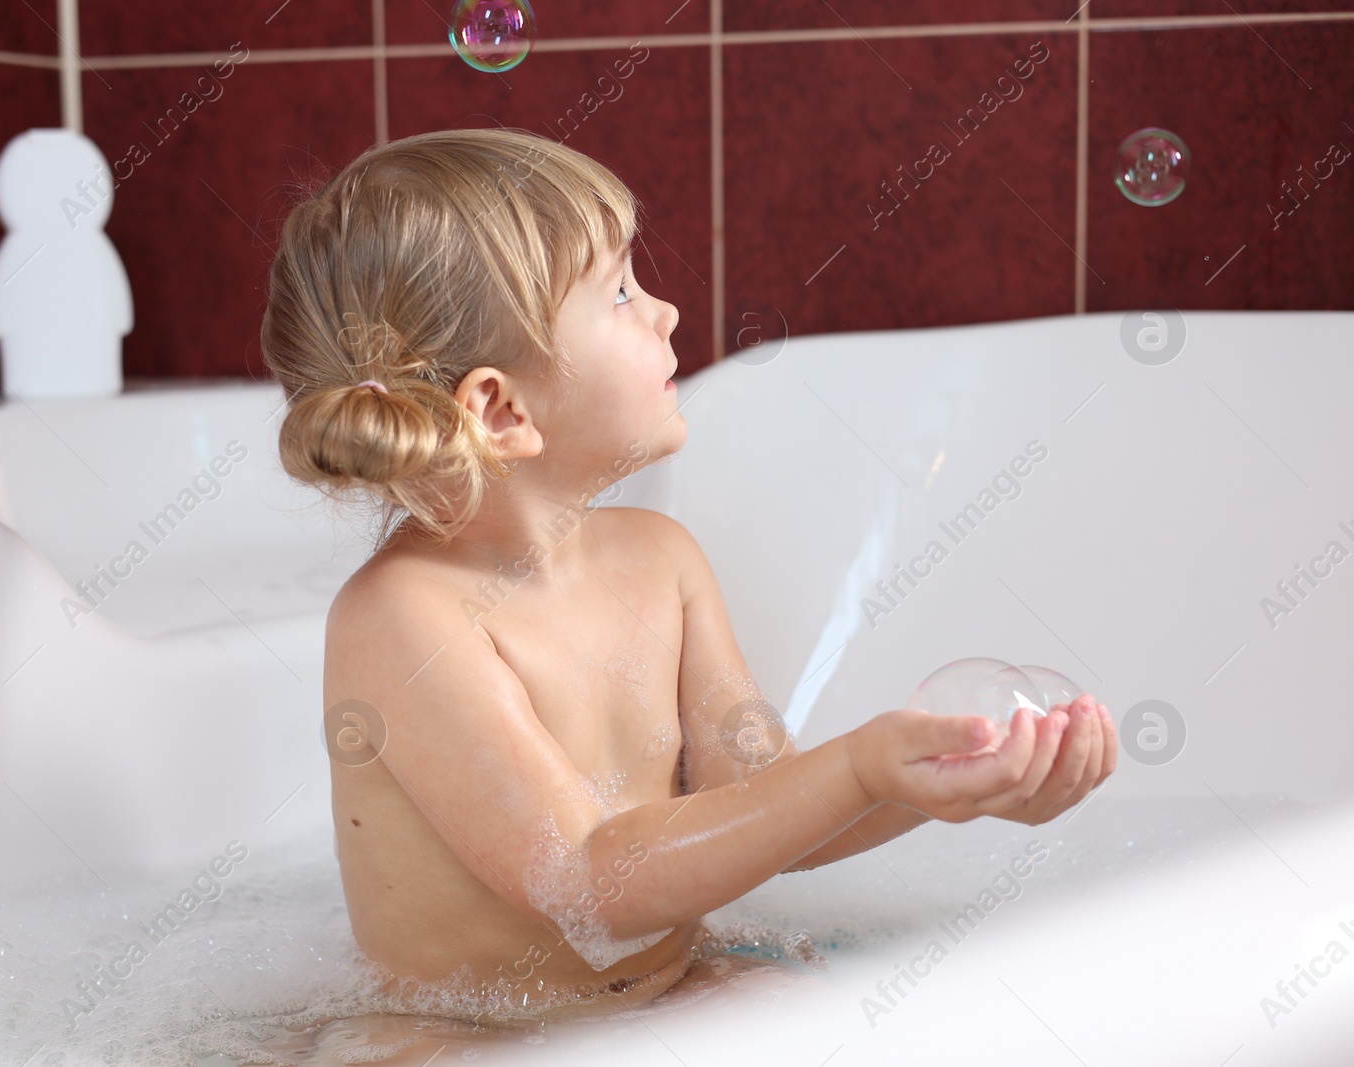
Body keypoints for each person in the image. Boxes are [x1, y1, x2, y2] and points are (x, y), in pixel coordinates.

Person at [257, 127, 1116, 1029]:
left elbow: (764, 803)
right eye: (620, 292)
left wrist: (939, 784)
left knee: (825, 1013)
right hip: (461, 1033)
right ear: (502, 408)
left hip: (664, 994)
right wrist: (863, 767)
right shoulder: (402, 618)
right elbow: (587, 875)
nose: (665, 313)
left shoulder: (660, 559)